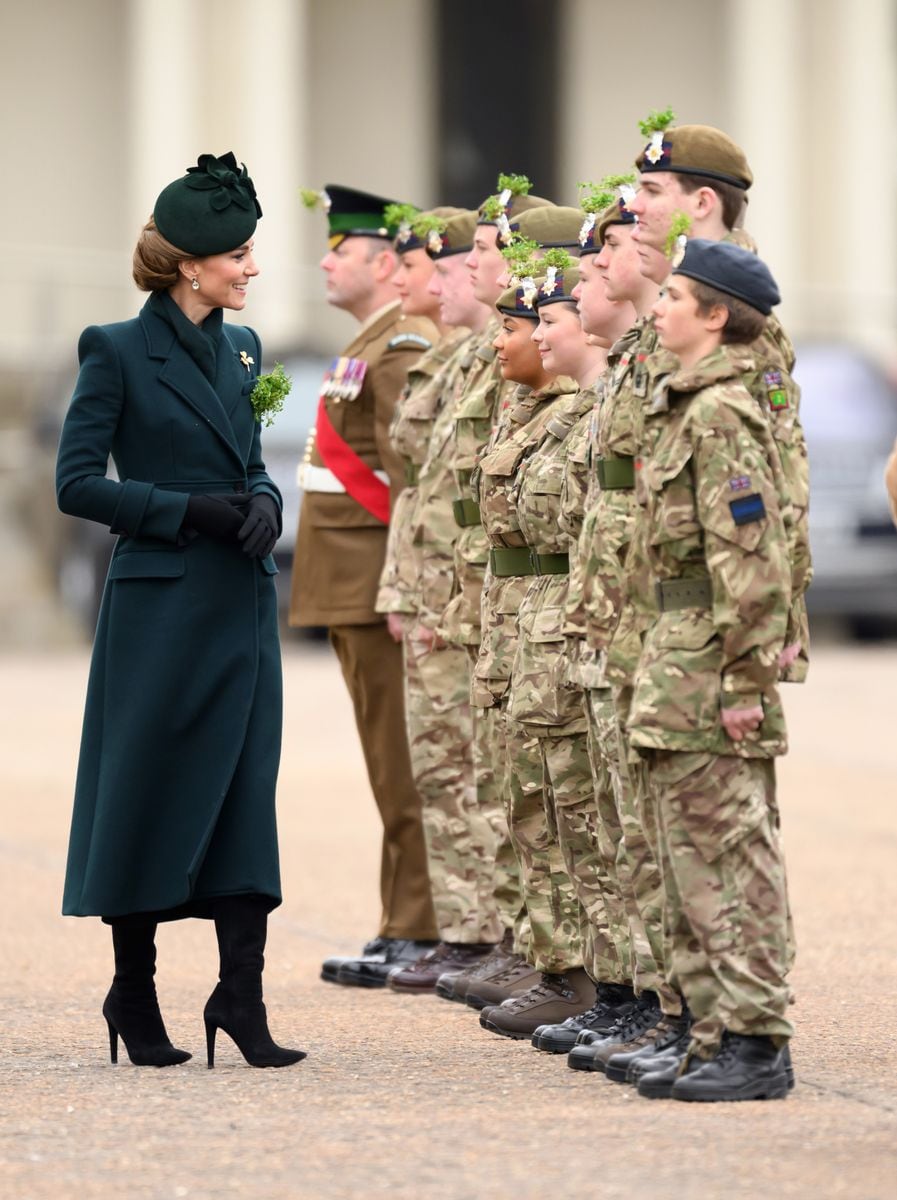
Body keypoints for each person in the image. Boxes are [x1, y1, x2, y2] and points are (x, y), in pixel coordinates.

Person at [56, 152, 304, 1069]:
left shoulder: (244, 348)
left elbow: (248, 459)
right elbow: (76, 485)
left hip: (239, 599)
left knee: (246, 786)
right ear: (192, 264)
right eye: (238, 254)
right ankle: (134, 991)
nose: (251, 268)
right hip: (159, 607)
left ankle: (240, 993)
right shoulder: (114, 349)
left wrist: (263, 502)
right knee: (148, 789)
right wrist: (182, 509)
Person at [626, 239, 795, 1102]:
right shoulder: (683, 402)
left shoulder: (724, 410)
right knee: (685, 856)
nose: (657, 308)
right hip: (675, 656)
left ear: (716, 316)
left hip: (709, 665)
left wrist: (743, 680)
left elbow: (752, 557)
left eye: (674, 297)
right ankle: (710, 1031)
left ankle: (757, 1040)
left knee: (730, 853)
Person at [290, 186, 440, 987]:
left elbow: (408, 479)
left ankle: (418, 923)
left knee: (402, 760)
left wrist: (404, 586)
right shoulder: (369, 342)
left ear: (382, 263)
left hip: (375, 583)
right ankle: (400, 920)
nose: (325, 261)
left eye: (339, 251)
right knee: (388, 763)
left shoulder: (398, 345)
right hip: (352, 582)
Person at [375, 208, 501, 991]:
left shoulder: (499, 356)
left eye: (450, 264)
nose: (425, 280)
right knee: (442, 769)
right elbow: (424, 490)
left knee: (473, 772)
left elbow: (475, 497)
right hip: (430, 590)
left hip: (464, 598)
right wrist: (404, 587)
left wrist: (455, 603)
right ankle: (467, 930)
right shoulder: (456, 361)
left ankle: (487, 931)